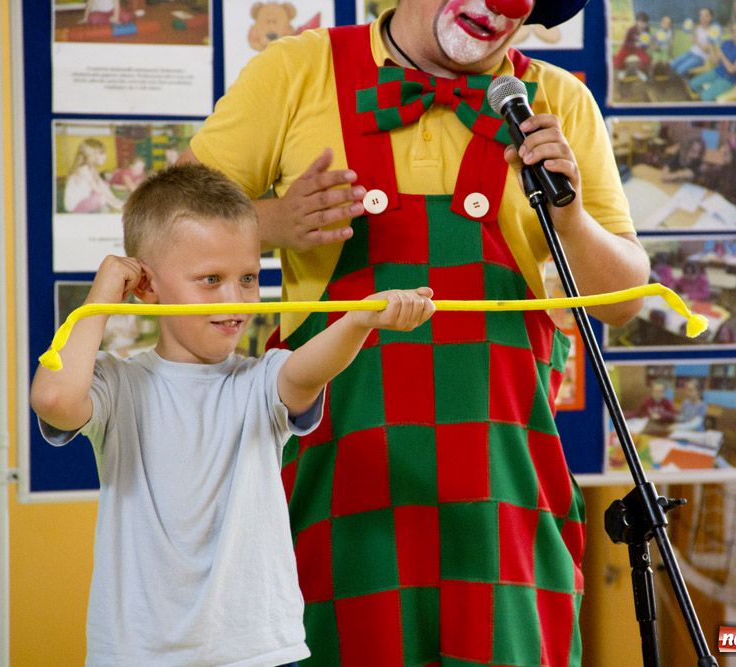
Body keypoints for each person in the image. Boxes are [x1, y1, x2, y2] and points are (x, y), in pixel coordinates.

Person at [181, 0, 649, 664]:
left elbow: (625, 299)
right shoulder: (297, 69)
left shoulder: (556, 102)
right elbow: (162, 221)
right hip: (334, 478)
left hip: (501, 491)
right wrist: (272, 223)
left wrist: (572, 219)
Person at [30, 165, 435, 666]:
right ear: (146, 287)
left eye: (246, 278)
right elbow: (54, 400)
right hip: (140, 653)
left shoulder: (260, 380)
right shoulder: (118, 384)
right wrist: (99, 300)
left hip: (258, 650)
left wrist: (359, 321)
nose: (235, 300)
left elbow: (307, 372)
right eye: (210, 280)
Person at [688, 19, 736, 102]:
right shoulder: (726, 43)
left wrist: (722, 55)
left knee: (705, 96)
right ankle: (709, 99)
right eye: (733, 31)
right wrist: (711, 46)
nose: (735, 35)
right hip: (717, 72)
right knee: (692, 83)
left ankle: (709, 102)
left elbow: (732, 70)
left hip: (729, 79)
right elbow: (714, 61)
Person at [62, 138, 125, 214]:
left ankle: (108, 205)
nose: (105, 156)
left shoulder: (91, 168)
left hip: (85, 199)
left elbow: (102, 186)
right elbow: (98, 189)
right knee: (101, 198)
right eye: (102, 153)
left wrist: (116, 200)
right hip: (75, 207)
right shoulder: (83, 169)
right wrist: (115, 205)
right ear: (91, 155)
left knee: (105, 185)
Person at [671, 7, 721, 77]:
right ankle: (674, 81)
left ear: (711, 17)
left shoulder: (714, 31)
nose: (703, 18)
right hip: (690, 53)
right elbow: (692, 42)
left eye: (706, 16)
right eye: (701, 15)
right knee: (672, 64)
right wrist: (691, 32)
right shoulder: (697, 27)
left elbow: (706, 50)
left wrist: (696, 41)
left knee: (680, 70)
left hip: (700, 58)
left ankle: (679, 83)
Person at [612, 12, 652, 81]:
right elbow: (626, 42)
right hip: (628, 48)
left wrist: (643, 45)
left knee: (646, 59)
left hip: (639, 49)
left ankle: (639, 71)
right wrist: (633, 44)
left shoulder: (647, 31)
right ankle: (622, 70)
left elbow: (646, 45)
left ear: (647, 23)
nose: (642, 25)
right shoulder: (631, 30)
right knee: (618, 60)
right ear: (637, 22)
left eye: (644, 23)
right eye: (640, 22)